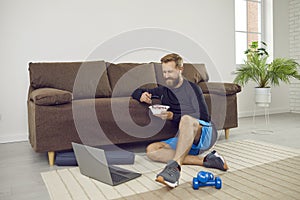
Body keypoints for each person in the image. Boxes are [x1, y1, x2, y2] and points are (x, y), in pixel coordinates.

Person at [131, 53, 228, 188]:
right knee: (151, 150)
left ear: (180, 69)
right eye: (164, 72)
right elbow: (136, 91)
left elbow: (204, 117)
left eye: (170, 71)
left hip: (204, 133)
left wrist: (173, 116)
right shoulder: (163, 90)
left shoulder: (193, 88)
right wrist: (141, 95)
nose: (166, 76)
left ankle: (175, 169)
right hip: (185, 136)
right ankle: (208, 161)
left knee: (186, 119)